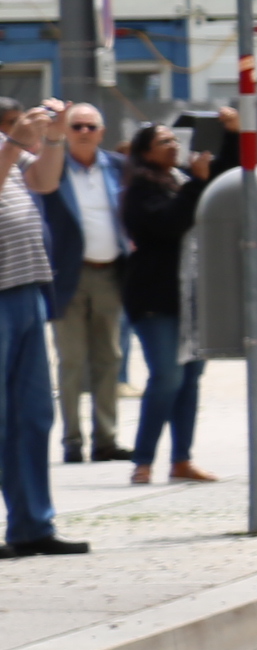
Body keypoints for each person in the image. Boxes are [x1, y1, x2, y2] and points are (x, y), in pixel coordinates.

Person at [0, 99, 83, 554]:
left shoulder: (6, 145)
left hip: (26, 288)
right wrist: (14, 143)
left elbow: (45, 181)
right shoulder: (6, 146)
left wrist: (54, 135)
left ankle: (33, 526)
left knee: (32, 416)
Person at [118, 124, 213, 485]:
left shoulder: (183, 180)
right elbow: (170, 223)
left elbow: (226, 175)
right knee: (167, 376)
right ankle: (143, 461)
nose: (173, 146)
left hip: (190, 295)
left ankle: (182, 459)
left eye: (175, 140)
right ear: (145, 153)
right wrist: (195, 184)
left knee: (191, 377)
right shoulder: (141, 189)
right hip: (155, 298)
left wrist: (233, 133)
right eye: (163, 142)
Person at [51, 103, 127, 459]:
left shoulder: (118, 167)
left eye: (89, 126)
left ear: (102, 131)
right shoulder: (53, 167)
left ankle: (106, 439)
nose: (83, 132)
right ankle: (72, 440)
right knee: (72, 361)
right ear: (66, 131)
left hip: (109, 272)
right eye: (76, 126)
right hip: (68, 276)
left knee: (109, 358)